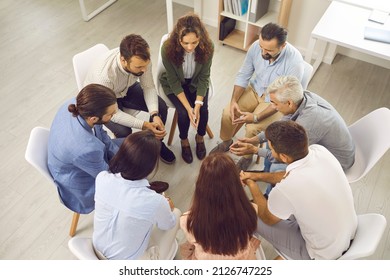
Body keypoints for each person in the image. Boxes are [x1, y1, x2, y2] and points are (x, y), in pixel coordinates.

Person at [241, 121, 357, 260]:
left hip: (321, 254)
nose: (270, 151)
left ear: (283, 156)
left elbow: (268, 218)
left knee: (246, 210)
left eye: (271, 149)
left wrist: (252, 185)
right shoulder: (320, 151)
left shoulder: (286, 189)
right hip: (346, 234)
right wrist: (256, 176)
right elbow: (287, 175)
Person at [231, 75, 355, 195]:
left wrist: (254, 150)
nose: (273, 107)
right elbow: (278, 129)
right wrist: (253, 140)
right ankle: (266, 172)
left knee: (277, 169)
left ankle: (269, 196)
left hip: (336, 163)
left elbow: (285, 157)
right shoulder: (301, 97)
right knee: (273, 139)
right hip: (327, 145)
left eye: (274, 103)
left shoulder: (308, 123)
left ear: (289, 103)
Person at [209, 22, 304, 171]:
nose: (263, 52)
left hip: (275, 101)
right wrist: (234, 101)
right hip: (255, 89)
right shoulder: (256, 47)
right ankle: (227, 141)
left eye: (269, 50)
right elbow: (244, 75)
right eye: (261, 47)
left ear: (282, 46)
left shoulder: (295, 61)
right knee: (228, 112)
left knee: (252, 128)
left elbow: (284, 100)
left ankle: (247, 157)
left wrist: (255, 117)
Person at [84, 34, 176, 164]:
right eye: (139, 67)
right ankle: (132, 157)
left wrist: (154, 114)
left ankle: (156, 144)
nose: (144, 70)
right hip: (102, 102)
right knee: (124, 130)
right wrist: (144, 125)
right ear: (123, 60)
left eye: (146, 65)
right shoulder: (104, 76)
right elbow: (114, 113)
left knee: (160, 107)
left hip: (125, 88)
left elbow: (148, 87)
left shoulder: (142, 60)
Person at [93, 130, 181, 260]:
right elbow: (167, 225)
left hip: (96, 250)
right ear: (150, 166)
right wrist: (168, 208)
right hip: (129, 262)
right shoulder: (155, 201)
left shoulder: (102, 178)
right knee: (177, 214)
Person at [48, 84, 121, 214]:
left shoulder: (79, 104)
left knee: (131, 147)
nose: (114, 115)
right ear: (94, 118)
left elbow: (102, 134)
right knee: (132, 165)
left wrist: (117, 154)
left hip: (83, 157)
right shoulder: (86, 148)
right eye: (111, 114)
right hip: (81, 184)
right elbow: (105, 178)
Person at [180, 153, 261, 260]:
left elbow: (192, 240)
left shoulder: (187, 220)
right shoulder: (251, 210)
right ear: (236, 183)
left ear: (200, 185)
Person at [159, 13, 214, 163]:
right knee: (183, 112)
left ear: (200, 37)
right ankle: (184, 140)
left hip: (196, 81)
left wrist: (197, 104)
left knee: (203, 109)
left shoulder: (208, 47)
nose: (190, 48)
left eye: (194, 42)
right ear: (178, 39)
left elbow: (204, 77)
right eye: (185, 43)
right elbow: (173, 81)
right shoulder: (167, 49)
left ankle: (200, 136)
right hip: (175, 83)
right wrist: (189, 108)